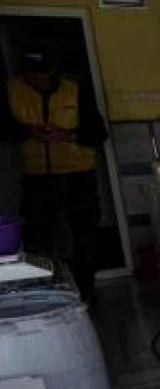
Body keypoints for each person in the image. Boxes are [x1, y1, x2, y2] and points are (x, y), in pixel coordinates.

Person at [0, 43, 108, 303]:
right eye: (32, 74)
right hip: (37, 176)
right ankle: (46, 291)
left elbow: (98, 134)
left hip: (78, 173)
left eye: (43, 74)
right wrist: (29, 132)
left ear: (53, 71)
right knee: (38, 235)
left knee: (85, 233)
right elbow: (3, 128)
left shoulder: (75, 91)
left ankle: (87, 289)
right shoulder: (11, 91)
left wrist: (67, 134)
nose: (38, 79)